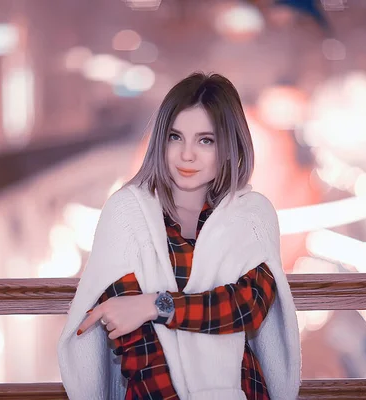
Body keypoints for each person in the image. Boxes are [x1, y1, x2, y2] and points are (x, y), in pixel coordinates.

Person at [58, 72, 301, 400]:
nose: (187, 154)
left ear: (230, 146)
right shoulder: (127, 213)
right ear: (160, 141)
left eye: (206, 140)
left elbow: (249, 304)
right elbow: (135, 341)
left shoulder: (253, 213)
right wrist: (192, 309)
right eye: (175, 137)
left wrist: (156, 305)